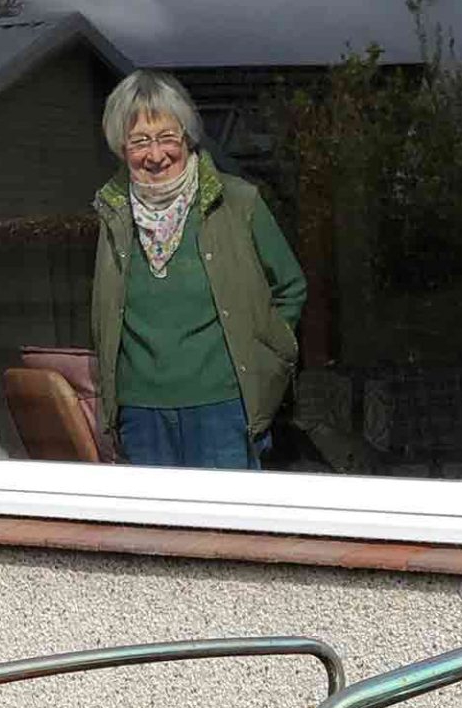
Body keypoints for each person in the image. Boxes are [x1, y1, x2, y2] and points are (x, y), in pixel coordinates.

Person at [91, 69, 306, 469]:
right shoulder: (114, 212)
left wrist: (271, 352)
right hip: (140, 412)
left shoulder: (237, 201)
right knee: (154, 528)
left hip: (224, 406)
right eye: (140, 141)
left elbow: (290, 287)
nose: (155, 155)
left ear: (187, 137)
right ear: (121, 148)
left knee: (229, 526)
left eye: (166, 137)